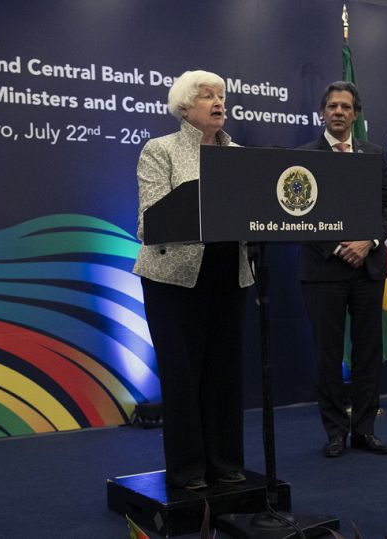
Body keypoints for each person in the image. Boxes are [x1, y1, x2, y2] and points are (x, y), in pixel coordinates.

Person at [133, 70, 254, 490]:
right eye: (207, 96)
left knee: (225, 373)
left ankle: (225, 463)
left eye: (222, 95)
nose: (219, 102)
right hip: (173, 280)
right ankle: (186, 469)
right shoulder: (159, 150)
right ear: (185, 107)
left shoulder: (240, 154)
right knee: (182, 374)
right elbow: (151, 222)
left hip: (228, 274)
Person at [297, 81, 387, 458]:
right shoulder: (305, 156)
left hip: (367, 269)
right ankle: (335, 432)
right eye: (332, 106)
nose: (338, 112)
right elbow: (297, 212)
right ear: (322, 112)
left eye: (345, 107)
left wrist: (367, 242)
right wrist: (339, 246)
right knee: (328, 354)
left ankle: (365, 430)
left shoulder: (375, 154)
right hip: (323, 271)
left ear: (356, 114)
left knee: (369, 353)